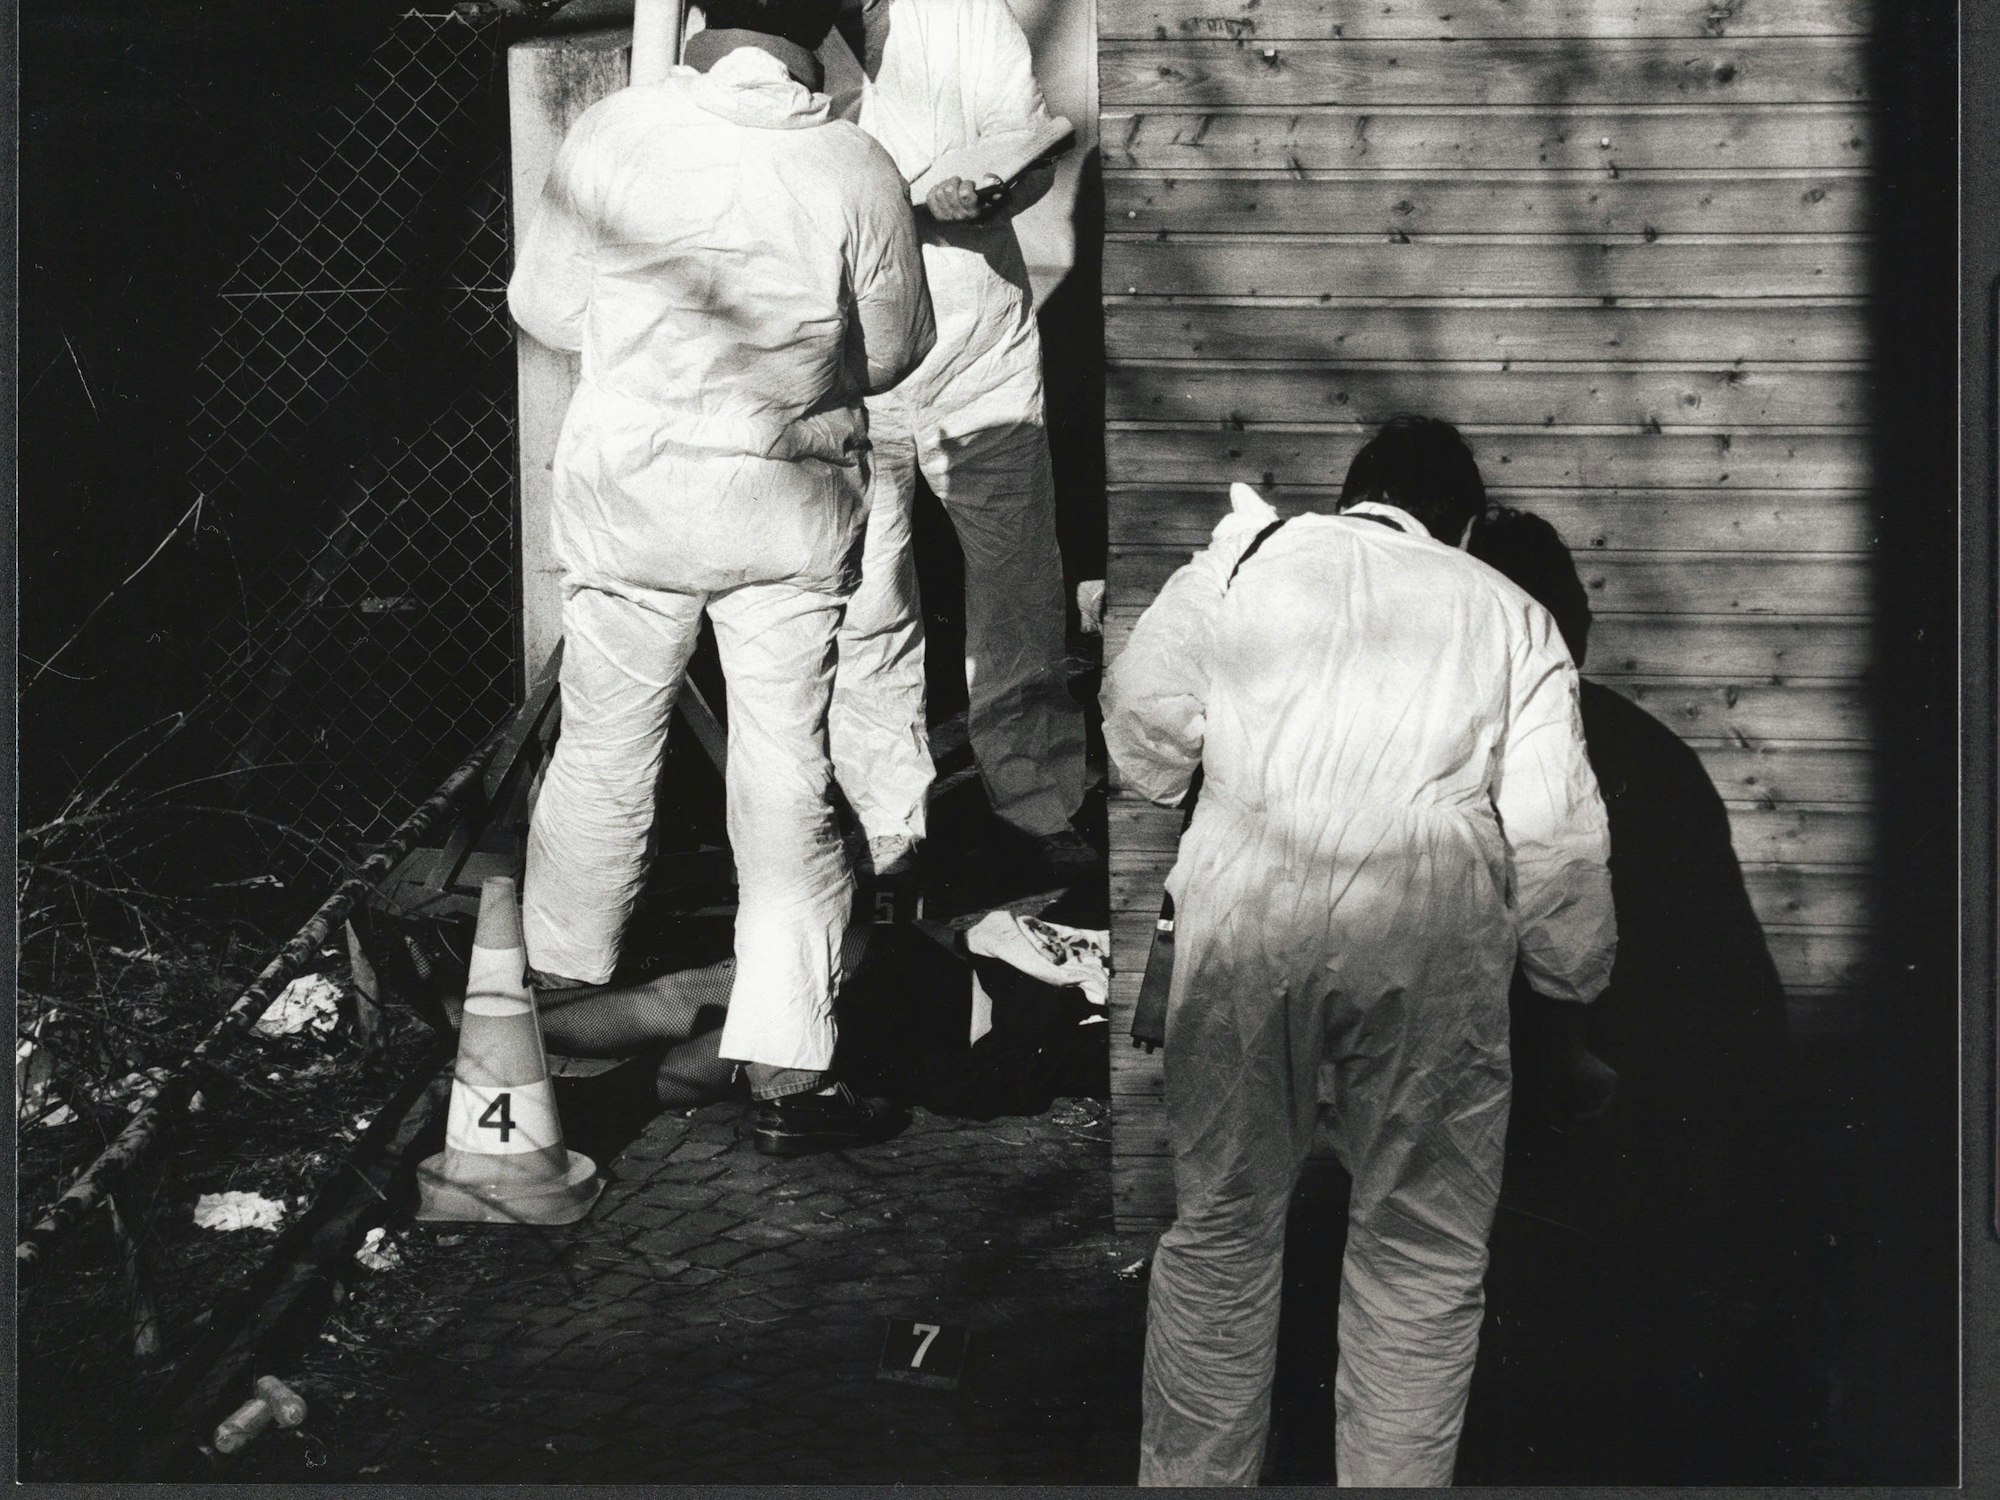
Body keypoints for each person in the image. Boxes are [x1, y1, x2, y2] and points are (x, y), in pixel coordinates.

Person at [1102, 415, 1617, 1486]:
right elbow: (1559, 849)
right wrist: (1566, 1011)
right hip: (1427, 928)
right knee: (1422, 1248)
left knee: (1224, 1223)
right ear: (1464, 525)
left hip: (1248, 903)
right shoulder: (1512, 615)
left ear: (1351, 495)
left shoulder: (1241, 561)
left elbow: (1142, 731)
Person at [506, 0, 936, 1154]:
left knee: (603, 748)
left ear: (699, 17)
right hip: (783, 504)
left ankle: (544, 1022)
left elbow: (540, 306)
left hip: (632, 495)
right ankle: (789, 1067)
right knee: (785, 772)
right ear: (826, 28)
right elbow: (895, 348)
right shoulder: (854, 160)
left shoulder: (613, 132)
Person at [814, 0, 1091, 881]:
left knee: (1017, 590)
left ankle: (1041, 800)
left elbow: (1030, 145)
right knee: (867, 598)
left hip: (979, 355)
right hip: (849, 360)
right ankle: (887, 818)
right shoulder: (776, 29)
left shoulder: (965, 12)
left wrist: (998, 189)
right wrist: (909, 198)